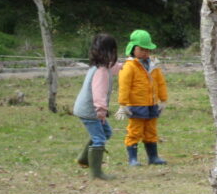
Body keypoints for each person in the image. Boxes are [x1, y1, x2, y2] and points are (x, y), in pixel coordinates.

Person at [72, 33, 122, 180]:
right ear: (111, 52)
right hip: (91, 111)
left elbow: (114, 69)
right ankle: (96, 173)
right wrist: (101, 111)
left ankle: (84, 158)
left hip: (88, 109)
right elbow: (99, 92)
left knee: (106, 133)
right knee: (99, 137)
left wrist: (127, 65)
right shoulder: (101, 72)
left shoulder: (101, 66)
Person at [117, 29, 169, 166]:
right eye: (142, 49)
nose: (145, 53)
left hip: (152, 104)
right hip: (135, 105)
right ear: (133, 49)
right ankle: (133, 159)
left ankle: (153, 157)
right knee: (135, 131)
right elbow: (124, 85)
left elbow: (160, 82)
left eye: (148, 50)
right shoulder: (129, 67)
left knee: (151, 131)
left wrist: (163, 100)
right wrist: (123, 104)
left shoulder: (154, 65)